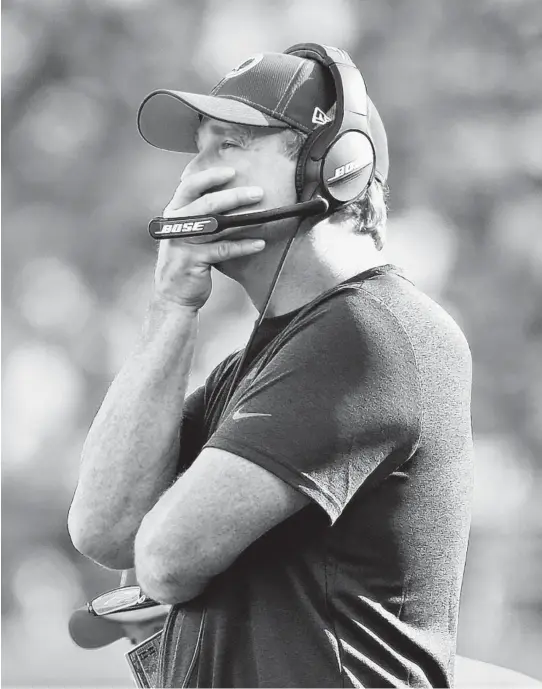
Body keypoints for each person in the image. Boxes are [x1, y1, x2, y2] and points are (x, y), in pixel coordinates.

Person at [68, 44, 475, 687]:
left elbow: (168, 557)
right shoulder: (255, 364)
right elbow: (106, 529)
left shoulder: (373, 332)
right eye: (197, 149)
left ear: (333, 167)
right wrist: (173, 304)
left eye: (228, 144)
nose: (191, 180)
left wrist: (156, 556)